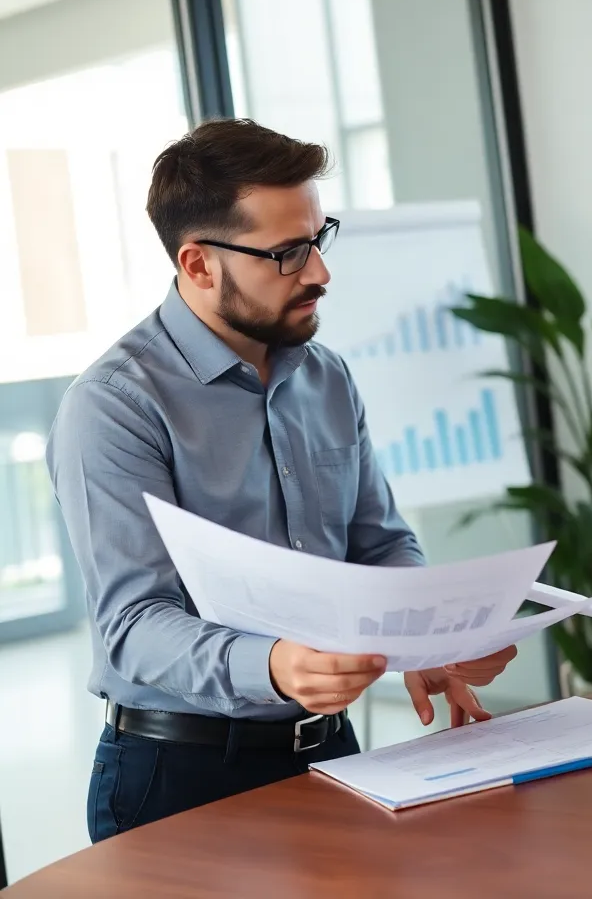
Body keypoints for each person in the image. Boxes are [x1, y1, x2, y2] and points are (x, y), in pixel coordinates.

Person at [47, 119, 517, 843]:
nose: (320, 272)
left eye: (318, 238)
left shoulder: (325, 377)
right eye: (287, 253)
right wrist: (273, 665)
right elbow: (133, 626)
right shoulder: (114, 406)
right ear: (199, 264)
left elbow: (379, 541)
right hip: (180, 776)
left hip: (331, 752)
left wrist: (425, 635)